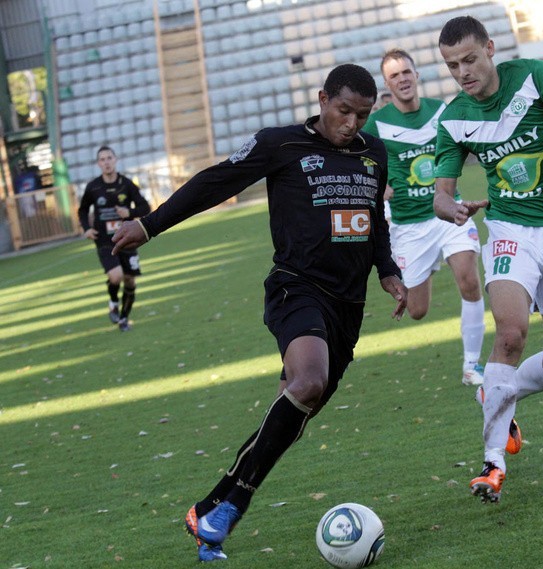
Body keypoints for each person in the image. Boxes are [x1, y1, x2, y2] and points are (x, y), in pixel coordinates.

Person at [111, 64, 407, 562]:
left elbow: (374, 217)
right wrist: (151, 224)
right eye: (342, 111)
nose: (352, 123)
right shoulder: (281, 144)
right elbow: (215, 182)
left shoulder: (372, 152)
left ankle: (216, 507)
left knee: (294, 410)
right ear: (321, 100)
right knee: (309, 382)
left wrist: (387, 269)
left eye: (362, 114)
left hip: (348, 306)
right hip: (297, 289)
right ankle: (227, 506)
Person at [434, 16, 543, 503]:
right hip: (512, 231)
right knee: (510, 333)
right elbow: (440, 195)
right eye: (452, 65)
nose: (463, 71)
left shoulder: (537, 78)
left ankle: (497, 390)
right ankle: (492, 463)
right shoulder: (453, 119)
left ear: (490, 49)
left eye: (470, 59)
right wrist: (449, 206)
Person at [363, 48, 486, 386]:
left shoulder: (442, 112)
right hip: (410, 227)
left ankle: (472, 366)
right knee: (417, 310)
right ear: (386, 85)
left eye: (406, 72)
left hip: (448, 212)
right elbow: (361, 164)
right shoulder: (376, 124)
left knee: (469, 279)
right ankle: (426, 265)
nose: (402, 79)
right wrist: (378, 186)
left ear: (416, 76)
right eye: (394, 76)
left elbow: (471, 143)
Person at [78, 146, 151, 331]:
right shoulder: (93, 187)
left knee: (130, 281)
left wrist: (130, 212)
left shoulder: (126, 184)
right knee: (116, 276)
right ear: (98, 164)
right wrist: (87, 228)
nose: (106, 162)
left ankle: (124, 318)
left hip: (127, 238)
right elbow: (83, 209)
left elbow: (145, 207)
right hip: (104, 239)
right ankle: (113, 302)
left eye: (109, 158)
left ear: (115, 159)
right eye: (102, 159)